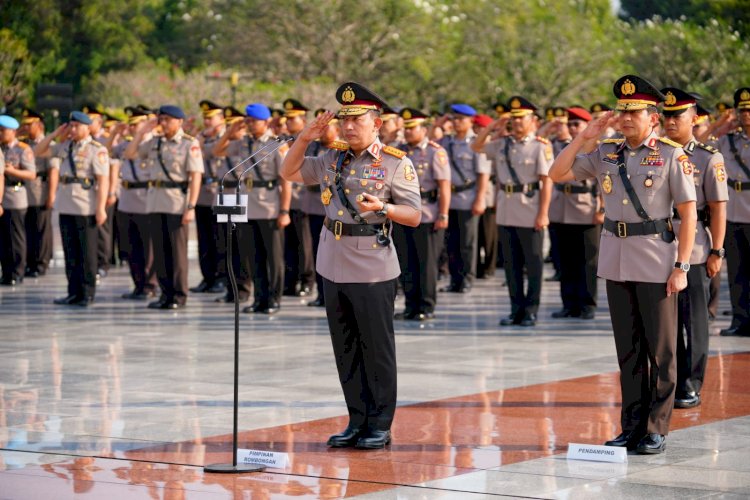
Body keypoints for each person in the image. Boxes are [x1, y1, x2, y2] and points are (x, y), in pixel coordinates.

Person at [549, 75, 697, 454]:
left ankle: (655, 427)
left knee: (661, 350)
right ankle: (630, 425)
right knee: (628, 350)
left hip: (656, 260)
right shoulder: (606, 152)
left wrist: (682, 266)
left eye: (636, 113)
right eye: (623, 112)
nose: (627, 119)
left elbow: (688, 213)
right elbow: (557, 173)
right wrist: (585, 137)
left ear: (653, 117)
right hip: (616, 260)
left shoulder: (670, 155)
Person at [281, 82, 421, 449]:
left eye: (357, 120)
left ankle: (380, 423)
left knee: (376, 348)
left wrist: (385, 208)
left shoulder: (394, 162)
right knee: (345, 347)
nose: (348, 127)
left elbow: (415, 215)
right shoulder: (331, 157)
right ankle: (356, 419)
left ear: (376, 122)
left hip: (372, 265)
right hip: (332, 261)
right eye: (344, 120)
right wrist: (303, 138)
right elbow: (289, 172)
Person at [660, 87, 728, 409]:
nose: (670, 122)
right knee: (668, 323)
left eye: (678, 116)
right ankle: (674, 379)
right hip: (659, 248)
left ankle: (692, 384)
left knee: (695, 321)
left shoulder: (708, 157)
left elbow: (717, 208)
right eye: (667, 115)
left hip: (698, 249)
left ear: (695, 118)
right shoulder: (654, 152)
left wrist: (718, 251)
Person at [472, 96, 553, 327]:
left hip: (530, 208)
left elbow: (546, 181)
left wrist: (543, 213)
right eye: (513, 119)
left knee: (533, 263)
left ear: (533, 121)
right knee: (511, 264)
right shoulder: (502, 143)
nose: (516, 123)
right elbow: (476, 146)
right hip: (506, 209)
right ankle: (515, 309)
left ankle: (531, 310)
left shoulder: (540, 146)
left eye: (521, 118)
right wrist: (493, 126)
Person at [214, 103, 291, 314]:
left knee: (273, 257)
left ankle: (274, 299)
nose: (249, 124)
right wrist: (230, 132)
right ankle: (259, 298)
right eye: (247, 120)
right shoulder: (243, 143)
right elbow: (217, 150)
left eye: (253, 121)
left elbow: (285, 181)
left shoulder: (276, 145)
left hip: (269, 206)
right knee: (253, 255)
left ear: (265, 122)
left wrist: (284, 211)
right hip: (246, 206)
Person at [124, 105, 203, 309]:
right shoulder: (154, 142)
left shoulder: (189, 144)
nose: (163, 123)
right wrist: (142, 131)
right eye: (161, 119)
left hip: (176, 202)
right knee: (159, 251)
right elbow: (130, 153)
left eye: (168, 119)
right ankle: (165, 294)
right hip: (155, 202)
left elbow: (195, 177)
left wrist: (191, 206)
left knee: (177, 252)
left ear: (179, 121)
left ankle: (178, 295)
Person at [34, 111, 110, 306]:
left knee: (87, 252)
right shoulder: (65, 146)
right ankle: (73, 291)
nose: (73, 130)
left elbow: (103, 181)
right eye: (71, 126)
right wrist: (55, 133)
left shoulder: (97, 149)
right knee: (70, 252)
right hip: (66, 204)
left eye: (77, 126)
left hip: (86, 205)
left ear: (87, 127)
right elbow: (38, 151)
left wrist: (101, 208)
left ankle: (87, 292)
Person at [393, 107, 451, 320]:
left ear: (424, 129)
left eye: (412, 128)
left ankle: (426, 306)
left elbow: (444, 186)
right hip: (402, 212)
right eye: (406, 129)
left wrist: (443, 214)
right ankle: (410, 305)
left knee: (426, 263)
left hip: (427, 212)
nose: (408, 133)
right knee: (406, 261)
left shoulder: (436, 152)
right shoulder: (398, 151)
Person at [547, 106, 602, 319]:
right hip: (561, 208)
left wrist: (602, 207)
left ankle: (588, 304)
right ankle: (569, 303)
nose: (572, 127)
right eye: (570, 124)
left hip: (586, 208)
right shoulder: (562, 146)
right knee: (565, 260)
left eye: (576, 124)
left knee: (587, 261)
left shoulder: (597, 149)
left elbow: (603, 181)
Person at [438, 104, 491, 293]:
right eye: (454, 119)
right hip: (449, 198)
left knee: (467, 243)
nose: (456, 122)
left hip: (468, 197)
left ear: (471, 121)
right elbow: (428, 141)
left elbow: (483, 173)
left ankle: (467, 278)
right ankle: (455, 279)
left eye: (461, 119)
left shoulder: (476, 142)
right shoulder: (447, 142)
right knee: (451, 242)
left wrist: (480, 199)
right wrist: (438, 123)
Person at [109, 106, 158, 300]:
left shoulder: (154, 143)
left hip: (145, 196)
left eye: (136, 124)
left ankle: (150, 284)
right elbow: (106, 152)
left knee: (149, 246)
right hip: (127, 197)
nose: (132, 127)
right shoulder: (124, 145)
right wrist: (114, 132)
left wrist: (143, 132)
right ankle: (138, 283)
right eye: (131, 124)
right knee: (131, 245)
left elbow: (133, 154)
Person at [716, 87, 750, 337]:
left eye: (749, 110)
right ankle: (740, 320)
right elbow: (697, 148)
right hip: (734, 213)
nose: (746, 115)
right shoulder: (728, 141)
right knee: (736, 272)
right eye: (742, 110)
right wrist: (720, 124)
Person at [191, 100, 227, 294]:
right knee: (204, 238)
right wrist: (203, 136)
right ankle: (208, 276)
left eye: (210, 118)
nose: (207, 122)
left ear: (221, 119)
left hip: (223, 192)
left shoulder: (229, 137)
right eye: (204, 118)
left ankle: (223, 278)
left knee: (222, 237)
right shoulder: (201, 138)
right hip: (203, 193)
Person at [281, 98, 316, 298]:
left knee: (305, 243)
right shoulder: (284, 140)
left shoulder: (310, 142)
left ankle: (307, 280)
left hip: (304, 199)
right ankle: (290, 280)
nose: (288, 123)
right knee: (290, 244)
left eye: (292, 119)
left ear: (303, 120)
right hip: (288, 200)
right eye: (287, 119)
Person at [19, 108, 59, 278]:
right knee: (27, 228)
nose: (26, 128)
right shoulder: (23, 144)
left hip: (40, 190)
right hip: (24, 191)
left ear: (39, 126)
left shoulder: (49, 145)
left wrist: (51, 194)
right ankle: (29, 262)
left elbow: (53, 171)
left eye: (29, 125)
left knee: (41, 228)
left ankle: (41, 263)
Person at [0, 115, 37, 286]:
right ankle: (6, 271)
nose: (0, 134)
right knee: (3, 238)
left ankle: (17, 271)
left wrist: (11, 171)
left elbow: (31, 174)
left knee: (16, 236)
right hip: (2, 195)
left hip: (15, 195)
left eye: (3, 131)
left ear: (13, 131)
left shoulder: (23, 149)